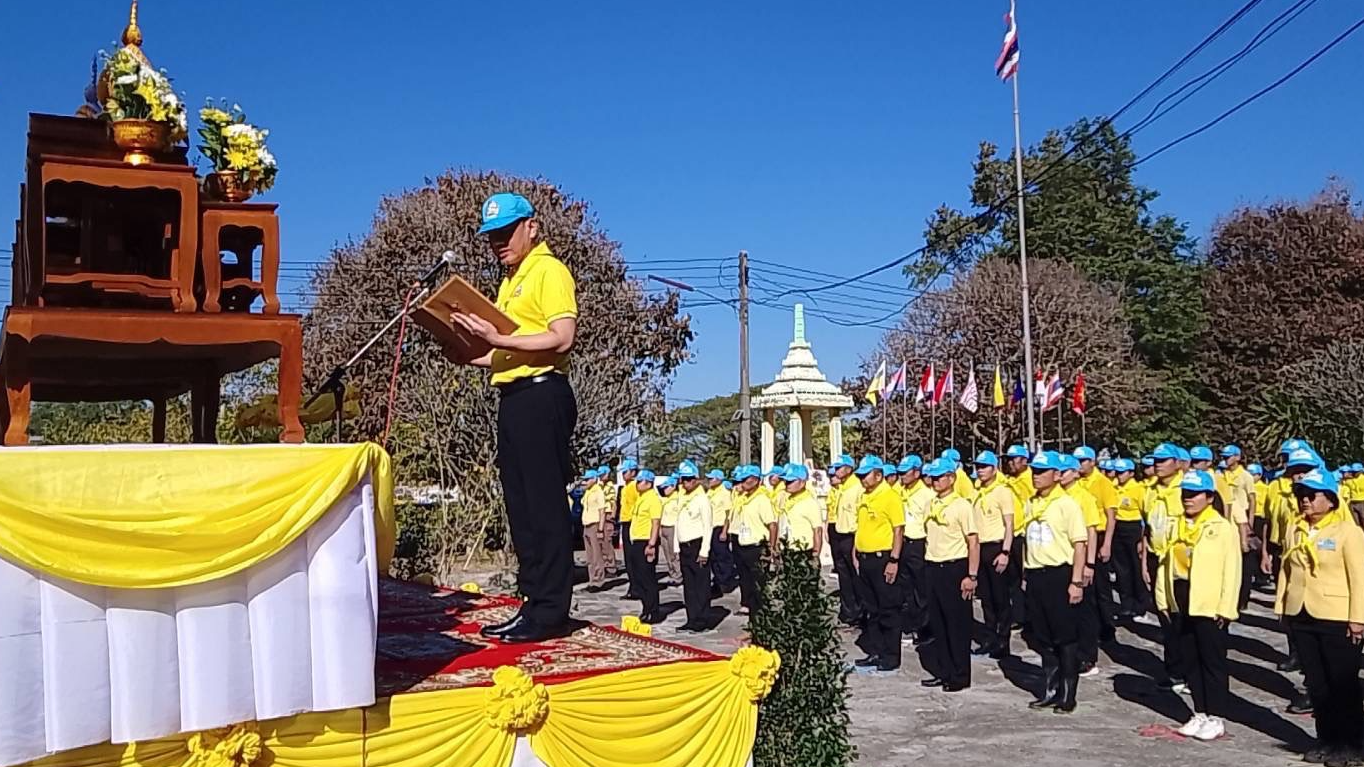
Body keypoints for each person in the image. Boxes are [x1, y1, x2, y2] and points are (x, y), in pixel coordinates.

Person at [455, 193, 579, 644]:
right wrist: (471, 349)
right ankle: (533, 602)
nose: (499, 243)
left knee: (544, 505)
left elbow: (560, 338)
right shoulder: (511, 280)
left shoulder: (548, 271)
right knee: (520, 506)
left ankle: (550, 609)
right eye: (492, 237)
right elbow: (508, 349)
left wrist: (498, 340)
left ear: (532, 226)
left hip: (542, 393)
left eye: (506, 233)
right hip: (514, 393)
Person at [1276, 468, 1364, 766]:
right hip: (1302, 612)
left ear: (1330, 499)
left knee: (1343, 684)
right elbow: (1287, 571)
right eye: (1300, 495)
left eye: (1311, 496)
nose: (1305, 501)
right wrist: (1282, 608)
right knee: (1317, 684)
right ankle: (1326, 739)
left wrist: (1358, 618)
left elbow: (1359, 578)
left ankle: (1352, 744)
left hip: (1338, 616)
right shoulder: (1296, 527)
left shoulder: (1348, 532)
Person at [1157, 470, 1241, 742]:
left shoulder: (1222, 528)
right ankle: (1200, 712)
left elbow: (1233, 570)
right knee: (1190, 659)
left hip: (1209, 601)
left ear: (1209, 497)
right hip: (1182, 596)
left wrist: (1226, 607)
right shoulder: (1177, 524)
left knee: (1212, 661)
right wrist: (1163, 599)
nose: (1188, 499)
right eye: (1185, 494)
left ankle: (1216, 716)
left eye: (1194, 494)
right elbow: (1165, 565)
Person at [1022, 451, 1088, 713]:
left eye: (1042, 471)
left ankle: (1068, 694)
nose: (1036, 476)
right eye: (1034, 471)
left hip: (1060, 574)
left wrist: (1077, 582)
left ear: (1057, 475)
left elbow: (1079, 545)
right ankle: (1050, 689)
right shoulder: (1031, 502)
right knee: (1043, 637)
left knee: (1065, 638)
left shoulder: (1067, 504)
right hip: (1037, 574)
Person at [920, 458, 980, 691]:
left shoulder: (962, 506)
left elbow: (973, 542)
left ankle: (960, 675)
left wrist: (971, 575)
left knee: (957, 624)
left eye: (939, 477)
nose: (934, 481)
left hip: (955, 566)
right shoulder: (931, 503)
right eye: (932, 477)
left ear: (951, 478)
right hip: (933, 566)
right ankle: (943, 671)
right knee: (938, 624)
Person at [851, 456, 906, 672]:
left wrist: (893, 559)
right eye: (861, 476)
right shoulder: (865, 496)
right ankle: (876, 651)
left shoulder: (890, 497)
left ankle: (891, 656)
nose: (862, 479)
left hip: (882, 558)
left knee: (888, 609)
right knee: (871, 609)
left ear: (878, 475)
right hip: (865, 559)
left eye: (866, 475)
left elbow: (898, 530)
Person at [1060, 455, 1106, 677]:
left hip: (1081, 559)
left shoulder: (1083, 497)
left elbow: (1091, 531)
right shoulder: (1059, 496)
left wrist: (1089, 563)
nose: (1060, 475)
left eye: (1064, 471)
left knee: (1085, 611)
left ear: (1075, 473)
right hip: (1064, 558)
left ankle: (1088, 657)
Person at [972, 450, 1016, 659]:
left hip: (996, 547)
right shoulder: (978, 490)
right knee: (986, 599)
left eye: (984, 466)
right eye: (978, 467)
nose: (980, 470)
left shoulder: (1002, 491)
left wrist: (1005, 551)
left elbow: (1010, 524)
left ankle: (1003, 640)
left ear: (994, 468)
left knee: (1000, 598)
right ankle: (989, 638)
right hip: (980, 547)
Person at [732, 465, 779, 617]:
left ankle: (761, 613)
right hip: (743, 544)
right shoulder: (745, 498)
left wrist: (771, 548)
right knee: (746, 581)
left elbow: (772, 524)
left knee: (758, 583)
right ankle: (750, 609)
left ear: (755, 480)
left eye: (746, 480)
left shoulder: (762, 499)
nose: (743, 483)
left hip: (757, 547)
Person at [673, 460, 714, 632]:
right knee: (689, 585)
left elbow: (708, 526)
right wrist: (676, 547)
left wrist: (704, 551)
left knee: (701, 585)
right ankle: (692, 617)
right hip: (685, 545)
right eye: (683, 479)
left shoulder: (702, 499)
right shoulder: (682, 497)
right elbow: (678, 523)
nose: (685, 483)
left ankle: (702, 620)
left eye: (689, 479)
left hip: (698, 544)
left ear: (696, 479)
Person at [899, 456, 933, 643]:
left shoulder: (926, 495)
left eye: (906, 472)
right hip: (903, 542)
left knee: (921, 589)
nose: (902, 476)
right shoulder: (901, 491)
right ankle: (911, 624)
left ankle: (925, 628)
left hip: (919, 543)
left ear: (917, 473)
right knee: (906, 588)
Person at [1219, 445, 1257, 610]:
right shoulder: (1221, 475)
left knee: (1244, 565)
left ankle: (1242, 599)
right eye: (1224, 456)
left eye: (1228, 456)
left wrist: (1250, 523)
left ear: (1237, 457)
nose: (1225, 459)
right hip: (1226, 517)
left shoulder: (1246, 476)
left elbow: (1252, 499)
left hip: (1241, 518)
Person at [1111, 458, 1149, 617]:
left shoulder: (1138, 489)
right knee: (1122, 569)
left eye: (1122, 472)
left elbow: (1145, 514)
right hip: (1118, 527)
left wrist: (1142, 538)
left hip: (1133, 528)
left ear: (1131, 473)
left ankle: (1140, 604)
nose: (1118, 475)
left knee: (1136, 567)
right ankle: (1126, 604)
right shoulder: (1113, 487)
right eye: (1117, 472)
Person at [827, 454, 862, 626]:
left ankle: (858, 613)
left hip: (852, 536)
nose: (836, 471)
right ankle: (848, 612)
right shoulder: (841, 488)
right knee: (844, 576)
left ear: (849, 468)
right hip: (840, 534)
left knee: (855, 576)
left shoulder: (856, 488)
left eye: (840, 468)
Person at [626, 470, 665, 624]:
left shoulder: (653, 499)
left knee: (647, 578)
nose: (637, 484)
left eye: (640, 481)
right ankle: (646, 608)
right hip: (636, 541)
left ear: (648, 483)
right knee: (639, 578)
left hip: (645, 542)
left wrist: (652, 544)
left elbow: (655, 523)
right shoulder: (641, 498)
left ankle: (653, 610)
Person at [783, 464, 825, 560]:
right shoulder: (788, 501)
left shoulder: (810, 503)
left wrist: (815, 555)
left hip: (804, 551)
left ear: (802, 482)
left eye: (790, 481)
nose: (786, 484)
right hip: (788, 550)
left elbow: (817, 531)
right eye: (785, 481)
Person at [705, 469, 736, 597]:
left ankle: (726, 581)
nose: (709, 481)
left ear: (718, 479)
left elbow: (728, 513)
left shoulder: (724, 493)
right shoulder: (710, 492)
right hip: (710, 527)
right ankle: (717, 580)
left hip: (719, 527)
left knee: (722, 556)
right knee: (713, 557)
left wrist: (724, 531)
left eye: (711, 478)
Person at [580, 468, 611, 592]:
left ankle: (598, 581)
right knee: (590, 556)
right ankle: (592, 579)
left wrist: (600, 529)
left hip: (595, 524)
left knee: (597, 555)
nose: (585, 482)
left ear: (594, 479)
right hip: (586, 525)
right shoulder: (588, 491)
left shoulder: (598, 491)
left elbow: (602, 511)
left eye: (587, 479)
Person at [617, 459, 642, 599]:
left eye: (625, 472)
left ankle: (637, 587)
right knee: (628, 559)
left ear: (633, 472)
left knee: (634, 559)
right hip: (625, 522)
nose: (623, 474)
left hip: (633, 522)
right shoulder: (625, 487)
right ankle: (633, 586)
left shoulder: (635, 486)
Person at [658, 473, 684, 587]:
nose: (664, 489)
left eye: (666, 487)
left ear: (673, 486)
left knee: (674, 553)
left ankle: (678, 576)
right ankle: (672, 573)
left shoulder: (678, 499)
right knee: (666, 553)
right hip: (663, 526)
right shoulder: (664, 499)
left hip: (673, 527)